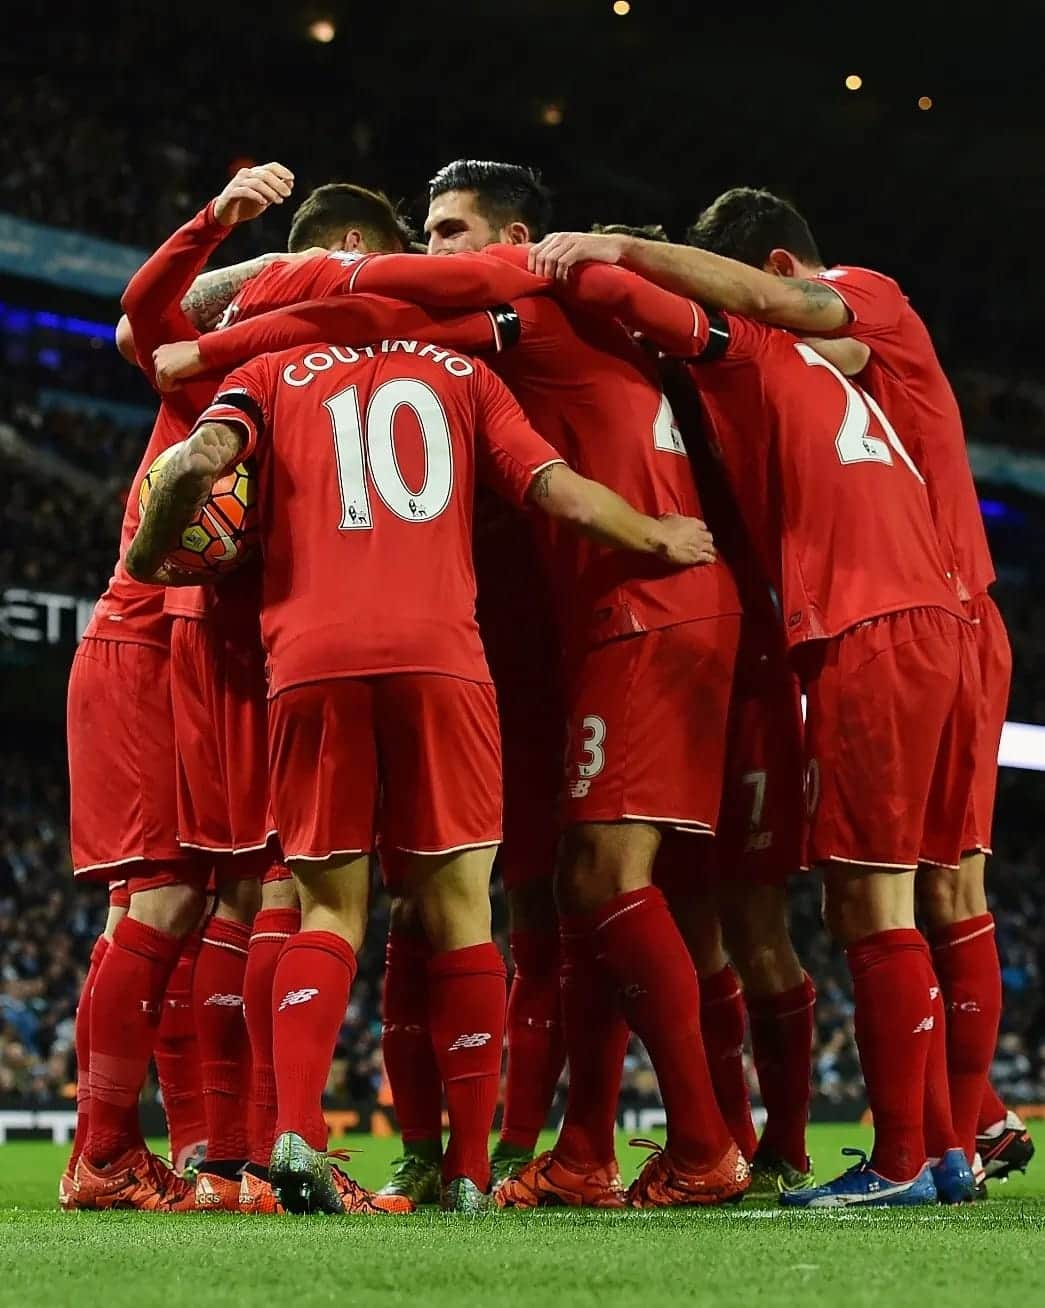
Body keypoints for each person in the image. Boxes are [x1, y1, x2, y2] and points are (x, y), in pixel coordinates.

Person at [125, 333, 714, 1213]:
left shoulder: (268, 372)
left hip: (311, 654)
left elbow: (195, 460)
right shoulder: (462, 371)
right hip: (439, 652)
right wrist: (653, 531)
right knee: (461, 911)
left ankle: (295, 1134)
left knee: (324, 908)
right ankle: (471, 1171)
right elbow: (548, 486)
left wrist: (146, 554)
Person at [531, 191, 1026, 1184]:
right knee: (942, 887)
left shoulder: (795, 324)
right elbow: (810, 341)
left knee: (871, 900)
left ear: (771, 272)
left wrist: (593, 254)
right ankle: (956, 1137)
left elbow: (726, 311)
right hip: (954, 608)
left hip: (876, 624)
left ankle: (907, 1157)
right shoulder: (851, 364)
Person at [65, 162, 295, 1214]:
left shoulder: (294, 390)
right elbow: (146, 313)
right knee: (160, 901)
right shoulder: (207, 378)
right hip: (148, 648)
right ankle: (106, 1153)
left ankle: (208, 1159)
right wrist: (221, 223)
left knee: (195, 905)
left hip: (210, 659)